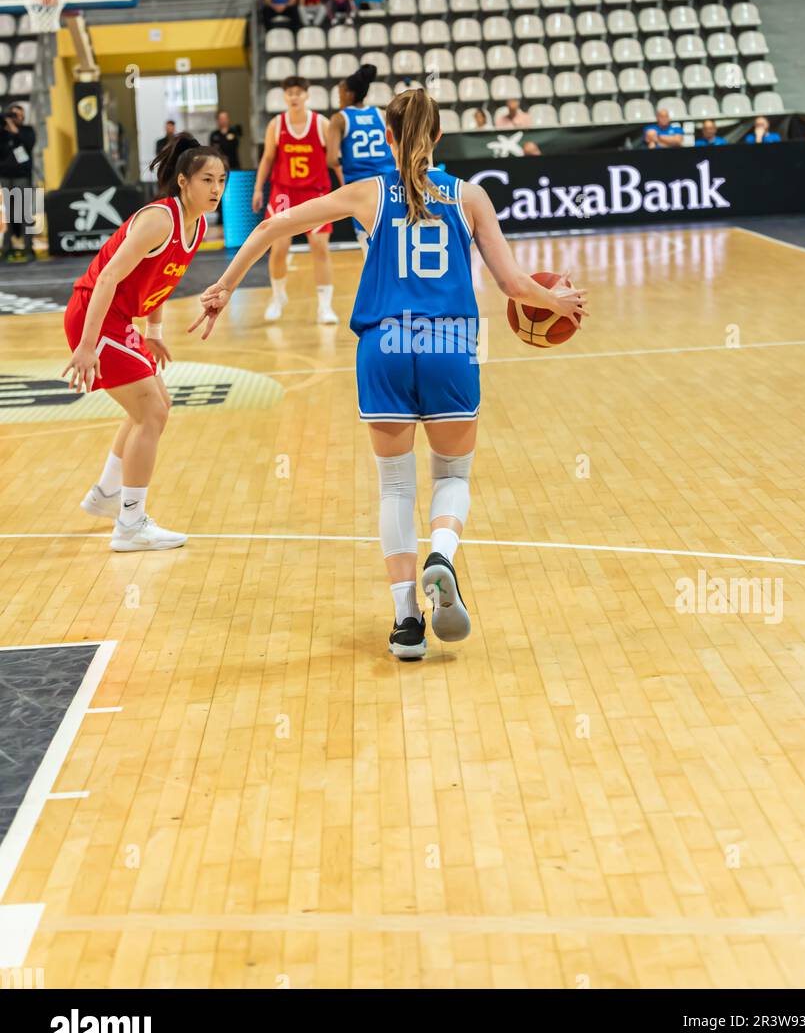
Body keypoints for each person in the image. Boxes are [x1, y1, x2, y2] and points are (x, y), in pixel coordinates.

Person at [193, 87, 588, 659]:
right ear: (440, 138)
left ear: (386, 137)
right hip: (451, 343)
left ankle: (406, 621)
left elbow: (269, 228)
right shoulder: (470, 196)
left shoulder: (365, 193)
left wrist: (225, 286)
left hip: (384, 344)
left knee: (396, 487)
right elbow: (515, 286)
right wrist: (561, 304)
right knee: (452, 475)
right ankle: (443, 556)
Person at [63, 133, 227, 551]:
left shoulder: (197, 223)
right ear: (183, 182)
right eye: (207, 180)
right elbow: (107, 278)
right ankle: (130, 524)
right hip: (95, 317)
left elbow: (161, 281)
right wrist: (85, 345)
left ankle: (106, 495)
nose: (216, 189)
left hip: (119, 321)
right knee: (151, 410)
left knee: (155, 405)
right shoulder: (159, 218)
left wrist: (153, 333)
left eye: (221, 180)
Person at [252, 76, 338, 324]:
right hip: (284, 193)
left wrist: (347, 188)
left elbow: (334, 160)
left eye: (299, 92)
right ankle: (278, 297)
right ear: (284, 97)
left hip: (315, 192)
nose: (294, 97)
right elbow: (268, 159)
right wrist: (258, 189)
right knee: (278, 249)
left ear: (307, 95)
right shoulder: (276, 125)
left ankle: (325, 307)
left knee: (320, 248)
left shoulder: (321, 123)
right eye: (290, 93)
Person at [326, 63, 388, 259]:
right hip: (388, 185)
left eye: (340, 94)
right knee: (391, 243)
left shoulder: (339, 119)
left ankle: (377, 289)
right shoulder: (382, 113)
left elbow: (331, 159)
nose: (339, 98)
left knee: (368, 249)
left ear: (349, 95)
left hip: (361, 188)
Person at [0, 104, 36, 262]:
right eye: (13, 115)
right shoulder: (2, 133)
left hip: (22, 177)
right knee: (6, 215)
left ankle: (29, 249)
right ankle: (7, 249)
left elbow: (29, 145)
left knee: (25, 214)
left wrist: (15, 130)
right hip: (5, 177)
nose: (16, 118)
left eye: (19, 115)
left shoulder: (27, 130)